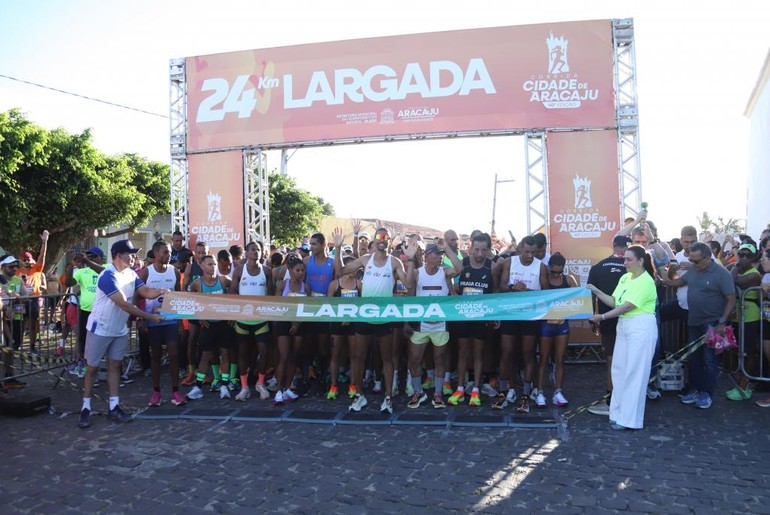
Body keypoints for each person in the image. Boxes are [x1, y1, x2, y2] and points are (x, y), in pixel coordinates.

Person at [78, 240, 167, 428]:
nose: (134, 257)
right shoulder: (107, 276)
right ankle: (85, 407)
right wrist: (150, 316)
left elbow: (145, 291)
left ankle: (114, 406)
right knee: (92, 368)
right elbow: (124, 304)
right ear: (119, 255)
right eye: (130, 253)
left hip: (118, 329)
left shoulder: (131, 274)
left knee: (115, 366)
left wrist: (161, 291)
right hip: (100, 328)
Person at [332, 226, 410, 414]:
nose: (382, 240)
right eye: (379, 236)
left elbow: (408, 285)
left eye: (386, 237)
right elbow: (340, 271)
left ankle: (388, 397)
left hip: (384, 316)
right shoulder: (366, 260)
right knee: (358, 357)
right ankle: (359, 395)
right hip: (365, 315)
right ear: (374, 241)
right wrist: (338, 248)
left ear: (390, 242)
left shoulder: (394, 262)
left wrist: (413, 259)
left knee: (387, 358)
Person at [588, 245, 658, 430]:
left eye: (628, 260)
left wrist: (601, 318)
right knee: (619, 370)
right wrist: (595, 290)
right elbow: (614, 301)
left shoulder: (646, 280)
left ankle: (630, 420)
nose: (624, 263)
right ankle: (617, 413)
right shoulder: (625, 278)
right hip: (624, 326)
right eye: (624, 259)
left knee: (634, 373)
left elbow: (628, 306)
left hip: (640, 327)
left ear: (640, 261)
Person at [665, 242, 736, 410]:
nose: (692, 263)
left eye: (695, 261)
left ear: (707, 257)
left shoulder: (721, 273)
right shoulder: (694, 270)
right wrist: (663, 280)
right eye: (691, 260)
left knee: (710, 360)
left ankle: (707, 393)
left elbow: (731, 299)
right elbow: (680, 282)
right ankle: (695, 389)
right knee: (694, 357)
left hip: (712, 323)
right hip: (694, 321)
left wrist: (722, 322)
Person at [494, 235, 549, 412]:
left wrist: (530, 291)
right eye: (527, 252)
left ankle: (525, 394)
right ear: (520, 249)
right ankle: (504, 391)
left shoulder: (540, 266)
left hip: (530, 316)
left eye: (533, 252)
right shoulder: (510, 262)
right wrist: (512, 287)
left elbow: (546, 292)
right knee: (507, 352)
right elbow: (501, 286)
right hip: (510, 313)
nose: (530, 256)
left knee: (528, 354)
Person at [444, 232, 498, 408]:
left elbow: (496, 292)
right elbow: (448, 276)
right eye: (476, 249)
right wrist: (452, 293)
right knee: (463, 352)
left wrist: (495, 315)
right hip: (463, 315)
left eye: (483, 250)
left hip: (482, 317)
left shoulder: (493, 266)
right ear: (470, 248)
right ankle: (459, 388)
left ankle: (475, 389)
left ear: (489, 250)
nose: (480, 254)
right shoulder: (464, 263)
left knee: (478, 353)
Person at [403, 243, 454, 409]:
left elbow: (458, 268)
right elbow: (408, 286)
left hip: (440, 325)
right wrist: (411, 259)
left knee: (440, 360)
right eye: (437, 254)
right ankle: (418, 392)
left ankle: (438, 393)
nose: (440, 257)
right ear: (427, 256)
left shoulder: (445, 272)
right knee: (414, 359)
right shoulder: (418, 273)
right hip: (421, 324)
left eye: (441, 254)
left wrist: (448, 249)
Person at [137, 240, 186, 407]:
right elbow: (137, 297)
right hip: (153, 320)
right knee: (155, 356)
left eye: (170, 252)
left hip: (170, 319)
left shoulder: (175, 272)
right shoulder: (146, 272)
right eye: (165, 252)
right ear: (156, 253)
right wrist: (141, 318)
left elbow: (178, 296)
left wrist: (179, 320)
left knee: (173, 355)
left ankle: (175, 391)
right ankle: (156, 392)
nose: (169, 255)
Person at [585, 236, 631, 416]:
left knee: (611, 359)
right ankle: (625, 397)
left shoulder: (597, 267)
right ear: (628, 248)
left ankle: (611, 397)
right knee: (630, 359)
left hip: (606, 318)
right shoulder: (632, 268)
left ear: (613, 246)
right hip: (630, 317)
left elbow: (591, 295)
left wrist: (594, 318)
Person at [185, 255, 233, 401]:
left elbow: (236, 294)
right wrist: (200, 316)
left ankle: (224, 386)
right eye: (209, 264)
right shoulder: (197, 284)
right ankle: (198, 387)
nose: (213, 267)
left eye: (214, 264)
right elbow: (189, 300)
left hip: (223, 324)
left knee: (225, 354)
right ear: (202, 266)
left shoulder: (223, 280)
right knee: (205, 356)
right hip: (208, 325)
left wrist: (232, 313)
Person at [230, 241, 274, 401]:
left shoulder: (268, 271)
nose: (256, 252)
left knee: (263, 352)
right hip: (243, 320)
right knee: (243, 354)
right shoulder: (239, 271)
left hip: (261, 320)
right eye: (253, 250)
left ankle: (260, 383)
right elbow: (232, 292)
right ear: (247, 253)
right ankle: (244, 387)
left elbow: (271, 295)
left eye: (259, 250)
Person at [537, 253, 578, 407]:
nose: (555, 275)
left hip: (562, 323)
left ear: (563, 269)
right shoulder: (544, 279)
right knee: (543, 359)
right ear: (549, 268)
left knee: (560, 359)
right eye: (553, 272)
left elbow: (578, 300)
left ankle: (558, 392)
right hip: (546, 323)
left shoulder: (568, 280)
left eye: (558, 272)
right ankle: (539, 392)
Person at [273, 255, 311, 405]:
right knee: (284, 357)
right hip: (283, 323)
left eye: (302, 270)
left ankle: (288, 388)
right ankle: (278, 390)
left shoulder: (306, 288)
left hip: (299, 325)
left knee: (294, 357)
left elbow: (306, 309)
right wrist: (289, 321)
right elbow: (277, 305)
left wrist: (297, 323)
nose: (300, 273)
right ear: (290, 270)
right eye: (297, 270)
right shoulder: (282, 285)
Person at [65, 247, 106, 378]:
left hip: (104, 312)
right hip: (86, 311)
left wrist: (88, 261)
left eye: (93, 256)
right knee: (83, 339)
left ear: (102, 258)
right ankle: (83, 364)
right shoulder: (82, 272)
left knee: (102, 339)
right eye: (88, 256)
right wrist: (71, 265)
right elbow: (68, 283)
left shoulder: (108, 267)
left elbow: (106, 273)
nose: (90, 258)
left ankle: (100, 367)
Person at [325, 255, 362, 401]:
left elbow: (363, 306)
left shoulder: (359, 284)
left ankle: (353, 385)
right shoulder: (334, 284)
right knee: (335, 355)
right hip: (337, 323)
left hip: (353, 323)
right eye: (350, 266)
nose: (353, 270)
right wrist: (341, 317)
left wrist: (350, 317)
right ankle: (333, 386)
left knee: (354, 356)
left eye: (355, 267)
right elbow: (329, 306)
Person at [15, 230, 49, 354]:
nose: (27, 261)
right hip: (21, 301)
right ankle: (18, 345)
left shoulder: (36, 269)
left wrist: (44, 242)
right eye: (25, 259)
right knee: (21, 324)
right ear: (21, 260)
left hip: (34, 300)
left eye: (29, 259)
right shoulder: (17, 272)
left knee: (34, 323)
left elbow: (42, 257)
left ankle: (32, 347)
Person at [1, 255, 28, 389]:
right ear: (3, 267)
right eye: (11, 267)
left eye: (16, 266)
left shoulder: (18, 280)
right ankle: (5, 378)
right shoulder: (1, 280)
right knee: (6, 347)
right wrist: (9, 303)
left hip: (17, 319)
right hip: (3, 322)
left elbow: (27, 297)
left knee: (13, 347)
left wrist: (18, 301)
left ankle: (9, 376)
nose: (14, 269)